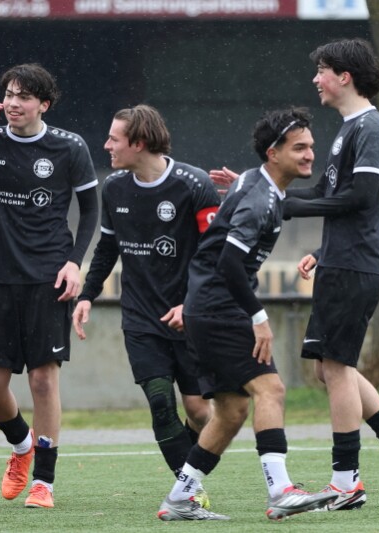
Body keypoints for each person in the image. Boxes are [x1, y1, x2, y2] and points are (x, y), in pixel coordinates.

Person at [157, 108, 336, 521]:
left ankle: (179, 498)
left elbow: (253, 203)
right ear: (274, 153)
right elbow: (229, 264)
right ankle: (281, 490)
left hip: (207, 308)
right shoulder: (259, 197)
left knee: (232, 410)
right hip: (221, 309)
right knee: (271, 390)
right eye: (300, 148)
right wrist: (259, 318)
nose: (310, 154)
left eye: (311, 146)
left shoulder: (257, 183)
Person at [278, 38, 379, 508]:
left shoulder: (371, 127)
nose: (316, 79)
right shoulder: (350, 128)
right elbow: (326, 193)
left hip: (355, 263)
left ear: (344, 77)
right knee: (329, 368)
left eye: (322, 70)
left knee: (336, 368)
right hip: (341, 260)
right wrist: (264, 193)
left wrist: (285, 209)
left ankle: (346, 481)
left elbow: (362, 198)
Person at [0, 63, 99, 508]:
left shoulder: (69, 146)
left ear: (43, 104)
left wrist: (75, 263)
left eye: (24, 97)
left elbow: (91, 210)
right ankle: (21, 445)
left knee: (43, 381)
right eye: (9, 94)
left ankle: (44, 482)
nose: (13, 103)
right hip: (0, 277)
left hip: (49, 278)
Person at [72, 105, 218, 504]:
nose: (106, 145)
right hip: (140, 317)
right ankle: (188, 492)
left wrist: (191, 304)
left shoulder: (195, 184)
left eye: (113, 139)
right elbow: (107, 248)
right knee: (159, 401)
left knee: (200, 412)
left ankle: (189, 476)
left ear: (138, 143)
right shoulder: (114, 188)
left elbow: (215, 253)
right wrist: (87, 295)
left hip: (190, 316)